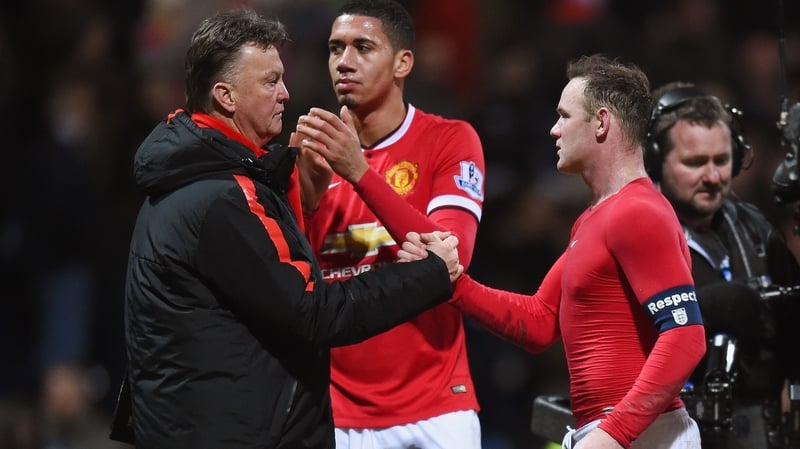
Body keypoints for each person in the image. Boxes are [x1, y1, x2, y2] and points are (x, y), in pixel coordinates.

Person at [122, 9, 466, 449]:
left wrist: (296, 189)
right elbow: (312, 312)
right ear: (226, 96)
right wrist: (430, 272)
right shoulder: (220, 198)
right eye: (270, 82)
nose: (286, 94)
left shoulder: (195, 181)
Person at [399, 54, 707, 449]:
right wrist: (452, 282)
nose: (553, 130)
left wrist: (613, 434)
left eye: (564, 116)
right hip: (620, 431)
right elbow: (540, 320)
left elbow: (686, 336)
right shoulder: (597, 218)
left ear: (601, 122)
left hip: (643, 434)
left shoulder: (638, 211)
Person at [294, 0, 485, 447]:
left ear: (403, 62)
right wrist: (307, 198)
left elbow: (451, 256)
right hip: (339, 413)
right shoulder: (310, 157)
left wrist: (359, 172)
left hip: (438, 407)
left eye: (363, 47)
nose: (344, 61)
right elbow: (292, 285)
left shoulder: (449, 140)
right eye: (335, 48)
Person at [645, 81, 800, 449]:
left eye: (722, 160)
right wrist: (705, 307)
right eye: (694, 162)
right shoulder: (630, 231)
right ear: (654, 161)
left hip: (758, 428)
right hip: (662, 430)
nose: (713, 177)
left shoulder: (755, 229)